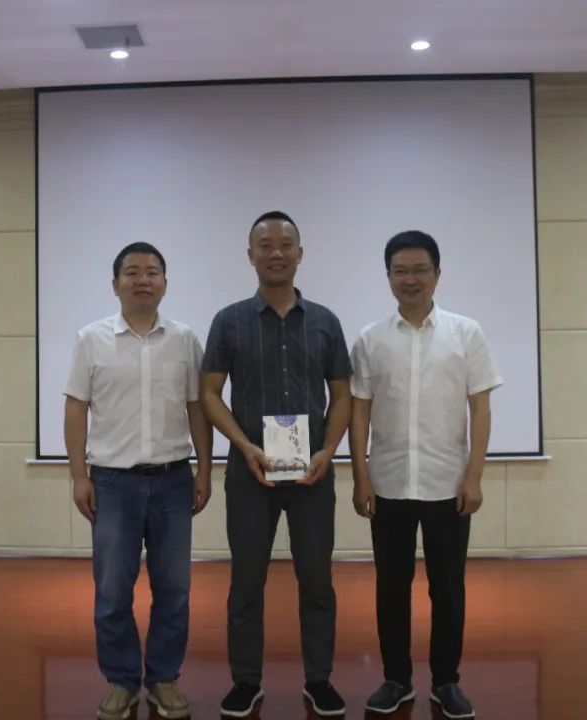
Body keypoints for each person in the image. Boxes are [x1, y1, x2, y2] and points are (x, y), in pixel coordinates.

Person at [200, 211, 352, 718]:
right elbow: (209, 393)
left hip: (313, 474)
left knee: (317, 581)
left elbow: (342, 396)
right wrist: (244, 445)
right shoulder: (228, 321)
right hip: (250, 473)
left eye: (286, 244)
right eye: (265, 245)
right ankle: (246, 681)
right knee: (246, 582)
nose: (276, 252)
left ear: (300, 254)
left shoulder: (326, 322)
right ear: (250, 256)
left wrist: (328, 451)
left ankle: (319, 680)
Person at [349, 230, 503, 719]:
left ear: (437, 274)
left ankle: (446, 681)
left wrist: (474, 476)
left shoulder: (466, 333)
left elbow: (480, 408)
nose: (410, 279)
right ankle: (396, 679)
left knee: (448, 590)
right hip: (389, 484)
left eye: (420, 270)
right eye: (401, 271)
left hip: (447, 485)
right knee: (391, 589)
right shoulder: (370, 339)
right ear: (388, 277)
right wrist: (360, 477)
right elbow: (359, 413)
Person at [64, 242, 213, 720]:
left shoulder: (185, 340)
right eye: (132, 272)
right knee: (112, 592)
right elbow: (76, 407)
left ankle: (164, 679)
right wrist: (79, 475)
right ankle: (122, 681)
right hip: (112, 484)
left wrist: (205, 468)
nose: (143, 279)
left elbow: (197, 408)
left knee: (174, 590)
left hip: (173, 482)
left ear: (165, 283)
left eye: (152, 272)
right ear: (116, 285)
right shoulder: (91, 339)